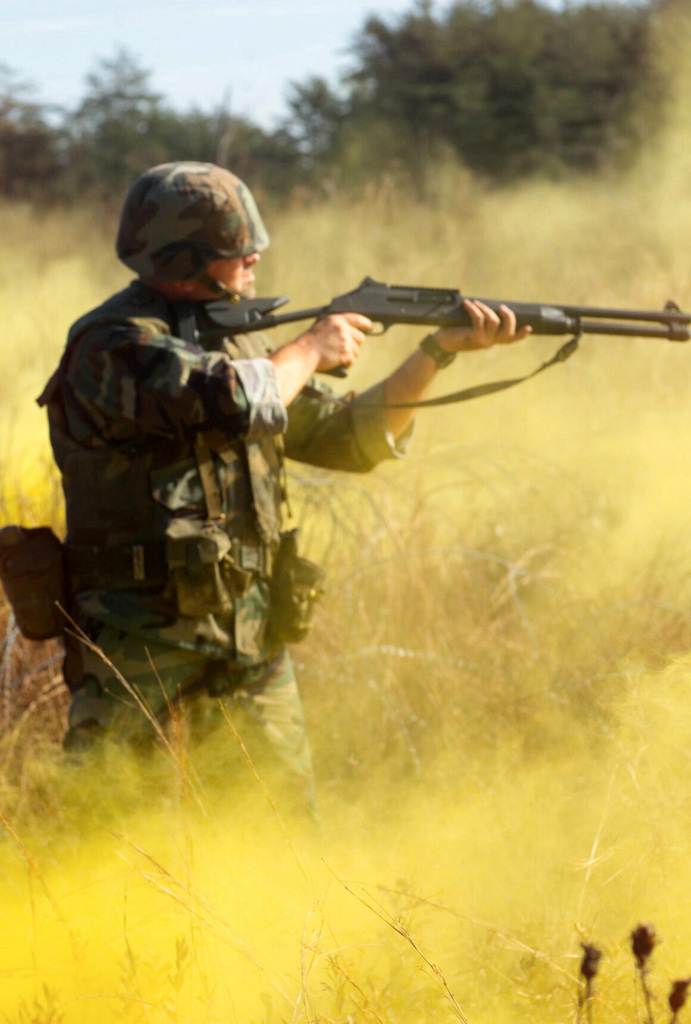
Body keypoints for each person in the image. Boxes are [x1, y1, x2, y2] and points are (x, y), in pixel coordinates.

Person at [39, 161, 530, 808]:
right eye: (235, 245)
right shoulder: (115, 344)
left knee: (279, 834)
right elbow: (227, 399)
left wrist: (434, 354)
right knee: (103, 832)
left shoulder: (243, 346)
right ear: (183, 254)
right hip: (142, 644)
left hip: (250, 638)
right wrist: (311, 348)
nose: (255, 255)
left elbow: (348, 437)